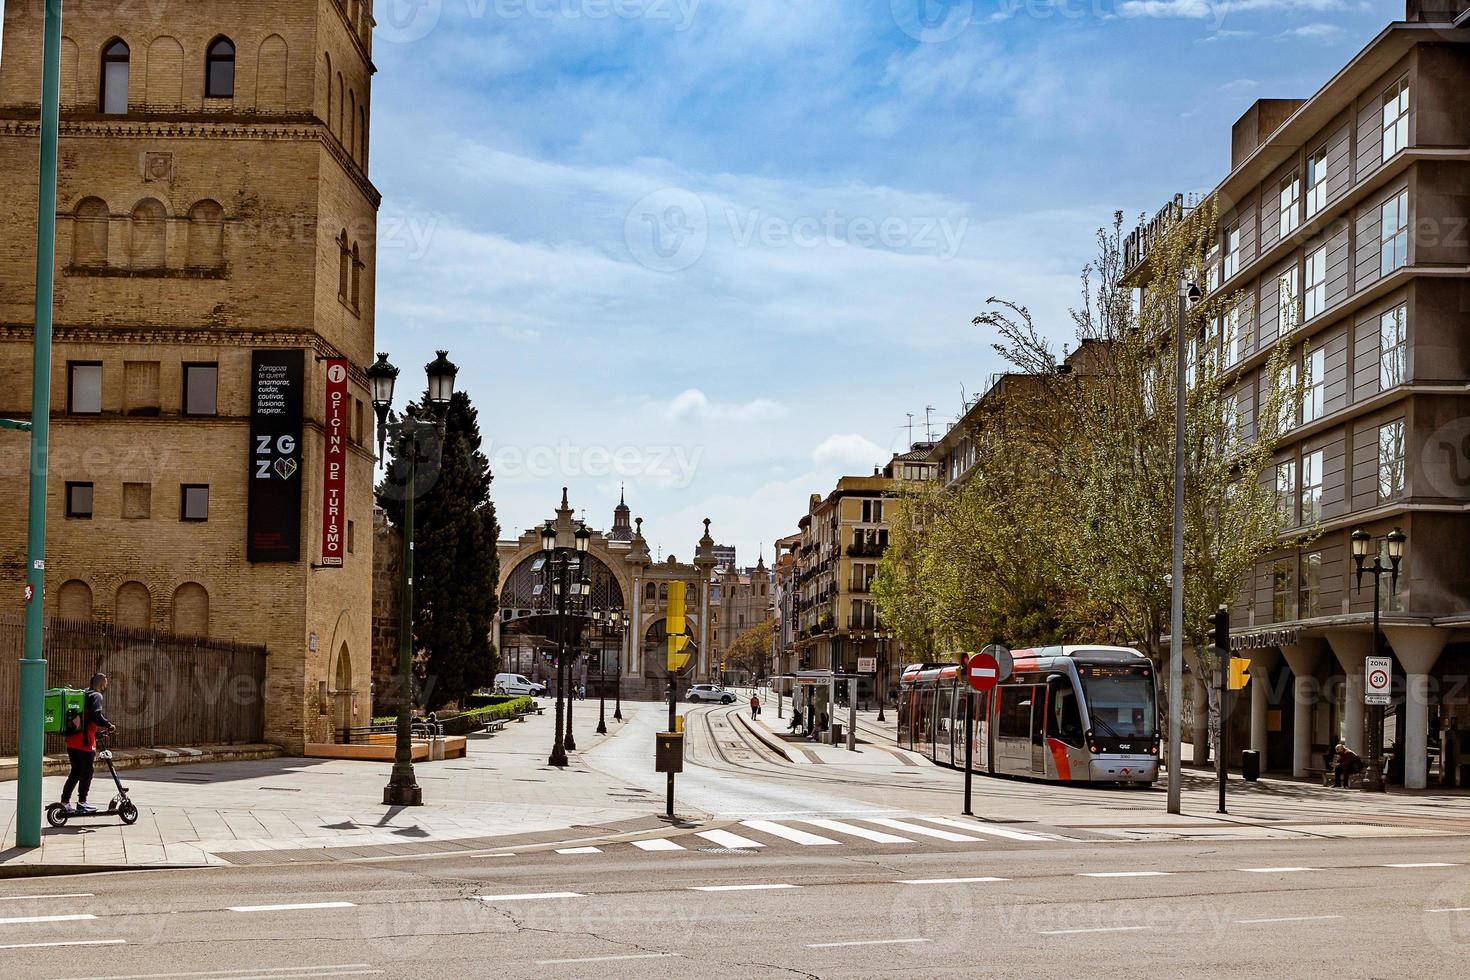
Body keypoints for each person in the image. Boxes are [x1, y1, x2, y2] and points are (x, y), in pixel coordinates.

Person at [61, 673, 114, 814]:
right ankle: (82, 802)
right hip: (84, 743)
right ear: (101, 684)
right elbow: (96, 715)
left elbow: (85, 718)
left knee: (75, 772)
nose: (105, 687)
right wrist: (109, 725)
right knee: (87, 772)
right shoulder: (96, 696)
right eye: (105, 684)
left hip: (72, 740)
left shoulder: (83, 694)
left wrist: (95, 732)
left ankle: (65, 802)